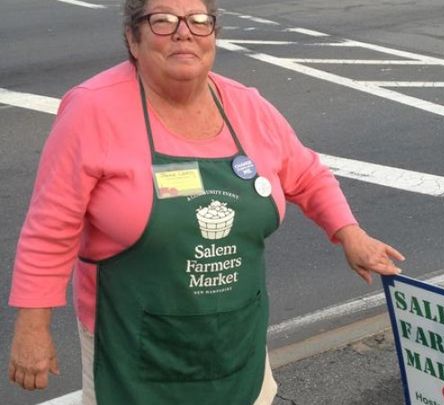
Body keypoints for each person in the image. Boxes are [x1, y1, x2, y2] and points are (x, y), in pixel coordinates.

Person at [6, 0, 404, 403]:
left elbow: (307, 174)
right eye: (163, 21)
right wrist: (33, 326)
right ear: (133, 39)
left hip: (236, 338)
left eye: (199, 21)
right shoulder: (92, 109)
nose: (184, 32)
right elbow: (51, 226)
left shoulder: (247, 106)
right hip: (132, 343)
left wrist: (350, 234)